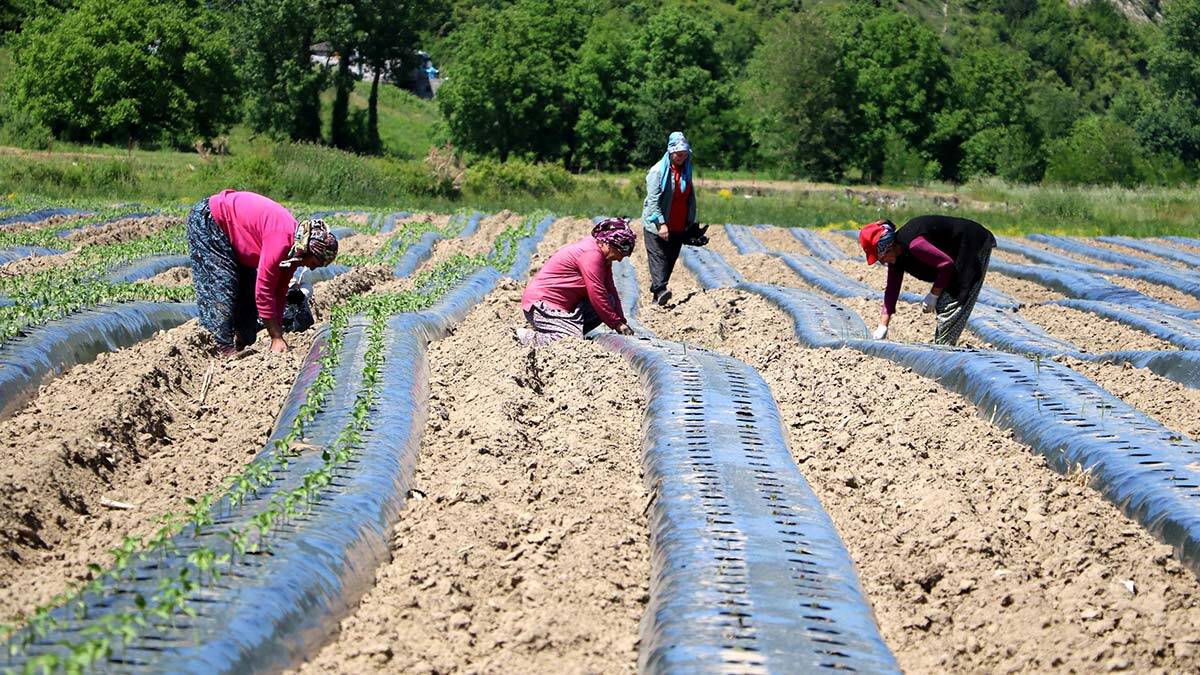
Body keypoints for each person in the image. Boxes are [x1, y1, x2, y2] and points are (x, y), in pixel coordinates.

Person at [186, 190, 338, 355]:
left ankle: (241, 341)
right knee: (222, 287)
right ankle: (222, 349)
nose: (312, 268)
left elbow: (279, 291)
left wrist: (278, 332)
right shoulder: (281, 241)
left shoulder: (294, 252)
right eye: (314, 263)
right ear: (307, 251)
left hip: (236, 237)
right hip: (212, 221)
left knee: (247, 298)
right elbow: (264, 291)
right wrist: (276, 337)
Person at [859, 215, 996, 346]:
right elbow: (892, 290)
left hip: (971, 245)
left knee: (951, 306)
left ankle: (945, 349)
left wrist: (933, 294)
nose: (883, 262)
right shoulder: (897, 256)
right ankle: (943, 347)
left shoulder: (915, 245)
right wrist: (883, 326)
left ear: (889, 247)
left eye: (881, 258)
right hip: (954, 255)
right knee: (944, 305)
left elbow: (946, 265)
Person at [518, 218, 637, 346]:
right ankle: (524, 336)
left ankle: (563, 328)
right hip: (543, 304)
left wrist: (622, 321)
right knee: (568, 340)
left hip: (565, 307)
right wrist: (616, 324)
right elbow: (597, 293)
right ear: (608, 244)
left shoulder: (603, 256)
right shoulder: (592, 255)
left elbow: (610, 289)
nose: (619, 260)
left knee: (610, 300)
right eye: (620, 254)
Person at [641, 131, 697, 306]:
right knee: (658, 257)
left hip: (678, 224)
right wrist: (661, 224)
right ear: (671, 152)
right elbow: (653, 201)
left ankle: (657, 296)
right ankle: (660, 290)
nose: (682, 157)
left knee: (670, 259)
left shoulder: (686, 170)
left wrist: (690, 222)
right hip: (657, 224)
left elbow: (688, 196)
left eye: (685, 154)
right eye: (679, 154)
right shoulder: (657, 172)